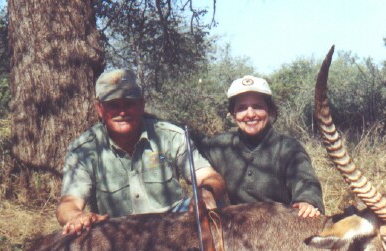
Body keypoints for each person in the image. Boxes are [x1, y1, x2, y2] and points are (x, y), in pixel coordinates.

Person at [57, 69, 226, 235]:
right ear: (99, 109)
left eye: (129, 103)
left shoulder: (172, 136)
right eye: (113, 105)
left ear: (142, 105)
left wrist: (206, 193)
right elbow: (68, 204)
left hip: (172, 228)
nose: (122, 112)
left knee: (215, 209)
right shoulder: (84, 150)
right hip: (117, 235)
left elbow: (209, 177)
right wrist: (76, 216)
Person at [199, 75, 324, 218]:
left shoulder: (288, 147)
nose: (250, 114)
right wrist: (206, 191)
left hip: (277, 224)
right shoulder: (220, 145)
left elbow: (306, 182)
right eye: (241, 108)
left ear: (269, 110)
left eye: (258, 107)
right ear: (233, 114)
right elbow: (191, 147)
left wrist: (307, 201)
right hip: (233, 226)